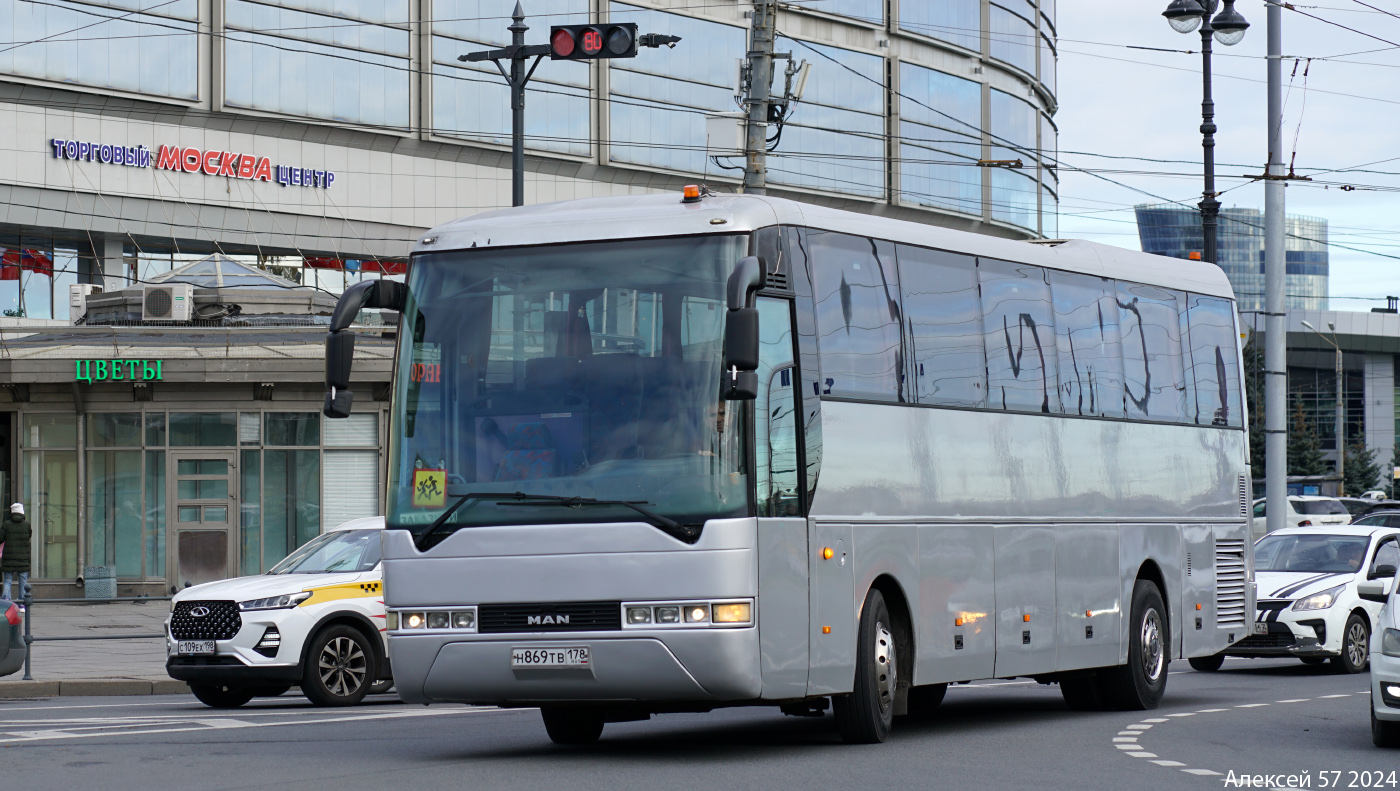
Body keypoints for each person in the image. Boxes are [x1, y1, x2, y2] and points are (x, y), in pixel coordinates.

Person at [1, 503, 31, 609]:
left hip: (9, 558)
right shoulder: (27, 524)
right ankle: (22, 603)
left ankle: (6, 601)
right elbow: (29, 535)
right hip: (23, 558)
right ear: (22, 512)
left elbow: (0, 538)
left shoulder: (6, 524)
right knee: (23, 580)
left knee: (8, 579)